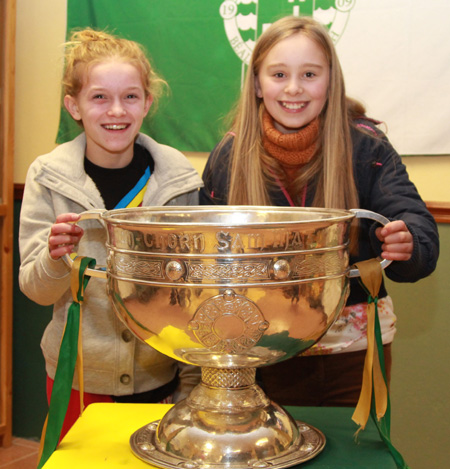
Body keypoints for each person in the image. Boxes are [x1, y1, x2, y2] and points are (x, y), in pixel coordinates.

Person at [199, 16, 439, 407]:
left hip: (350, 351)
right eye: (278, 74)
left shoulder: (367, 147)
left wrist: (409, 240)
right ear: (257, 83)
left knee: (352, 455)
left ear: (331, 81)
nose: (294, 88)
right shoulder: (229, 156)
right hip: (257, 351)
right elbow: (207, 258)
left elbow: (416, 225)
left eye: (309, 74)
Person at [19, 29, 203, 439]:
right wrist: (52, 259)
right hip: (77, 378)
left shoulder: (179, 182)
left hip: (159, 377)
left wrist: (190, 383)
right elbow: (35, 289)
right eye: (99, 97)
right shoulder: (47, 177)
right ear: (74, 106)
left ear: (147, 103)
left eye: (131, 96)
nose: (116, 110)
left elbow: (194, 295)